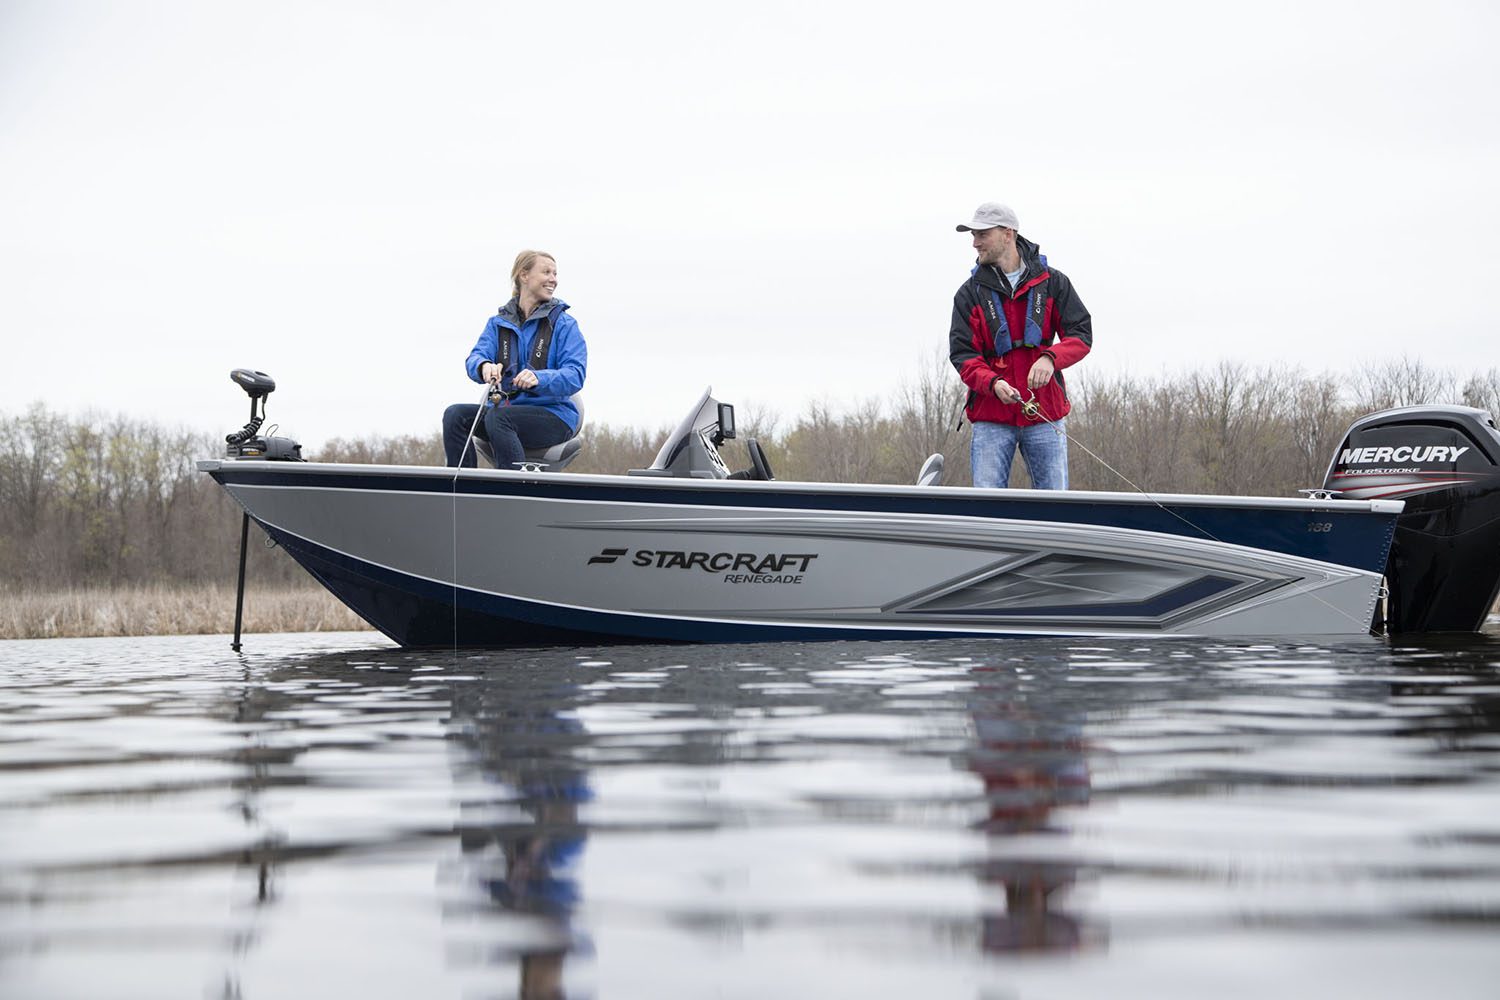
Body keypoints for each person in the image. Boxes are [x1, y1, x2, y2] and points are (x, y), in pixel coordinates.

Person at [949, 203, 1092, 489]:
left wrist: (1051, 358)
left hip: (1045, 414)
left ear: (1007, 234)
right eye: (973, 236)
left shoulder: (1054, 282)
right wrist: (992, 383)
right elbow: (963, 356)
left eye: (982, 235)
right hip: (991, 417)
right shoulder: (968, 293)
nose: (975, 243)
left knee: (1055, 507)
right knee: (987, 509)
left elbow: (1081, 334)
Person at [443, 250, 588, 469]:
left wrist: (539, 378)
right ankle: (462, 489)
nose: (553, 280)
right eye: (546, 272)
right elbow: (475, 357)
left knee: (498, 418)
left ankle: (512, 488)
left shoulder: (566, 325)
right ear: (524, 275)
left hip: (554, 415)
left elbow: (575, 375)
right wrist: (483, 366)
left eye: (555, 274)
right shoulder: (497, 323)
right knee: (455, 415)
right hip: (507, 413)